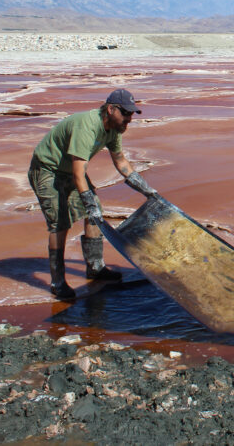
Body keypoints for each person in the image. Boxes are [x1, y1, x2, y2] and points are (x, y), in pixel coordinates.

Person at [28, 88, 158, 299]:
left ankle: (95, 267)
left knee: (95, 213)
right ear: (111, 109)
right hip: (47, 169)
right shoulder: (87, 127)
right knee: (60, 223)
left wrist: (147, 190)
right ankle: (57, 282)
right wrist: (87, 200)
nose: (129, 119)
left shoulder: (115, 129)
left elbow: (121, 161)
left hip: (69, 169)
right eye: (125, 113)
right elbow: (79, 173)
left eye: (131, 114)